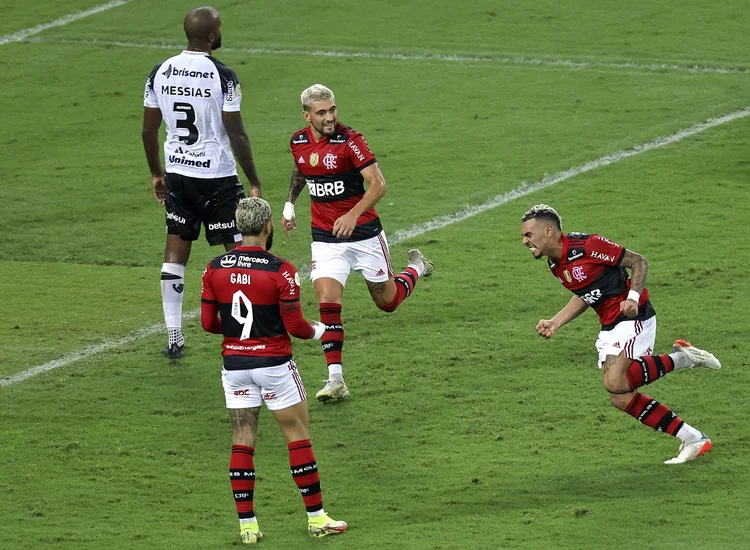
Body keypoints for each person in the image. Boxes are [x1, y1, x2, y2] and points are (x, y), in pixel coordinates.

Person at [520, 204, 721, 464]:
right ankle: (693, 438)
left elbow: (638, 261)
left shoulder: (588, 246)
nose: (524, 241)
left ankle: (683, 358)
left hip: (633, 316)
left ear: (548, 230)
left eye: (528, 235)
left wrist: (633, 297)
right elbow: (587, 293)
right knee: (620, 398)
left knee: (614, 381)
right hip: (610, 324)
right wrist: (557, 322)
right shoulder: (554, 263)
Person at [201, 197, 348, 544]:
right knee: (297, 437)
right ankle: (316, 519)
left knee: (242, 442)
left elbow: (209, 323)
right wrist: (321, 330)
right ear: (268, 226)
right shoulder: (280, 269)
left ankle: (248, 526)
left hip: (234, 366)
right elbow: (295, 325)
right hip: (274, 366)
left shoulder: (214, 267)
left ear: (239, 226)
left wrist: (240, 339)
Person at [279, 84, 434, 402]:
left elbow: (378, 184)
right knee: (327, 303)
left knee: (387, 302)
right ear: (307, 115)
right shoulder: (298, 141)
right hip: (326, 238)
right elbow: (301, 169)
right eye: (321, 112)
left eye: (332, 110)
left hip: (364, 234)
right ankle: (336, 380)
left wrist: (353, 214)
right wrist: (290, 205)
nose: (330, 117)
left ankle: (417, 266)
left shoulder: (351, 141)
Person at [142, 6, 263, 359]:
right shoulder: (222, 75)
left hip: (178, 173)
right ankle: (247, 334)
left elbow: (149, 131)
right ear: (212, 36)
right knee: (240, 252)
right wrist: (253, 179)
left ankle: (174, 336)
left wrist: (156, 172)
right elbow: (236, 131)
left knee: (175, 253)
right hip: (217, 178)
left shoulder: (159, 71)